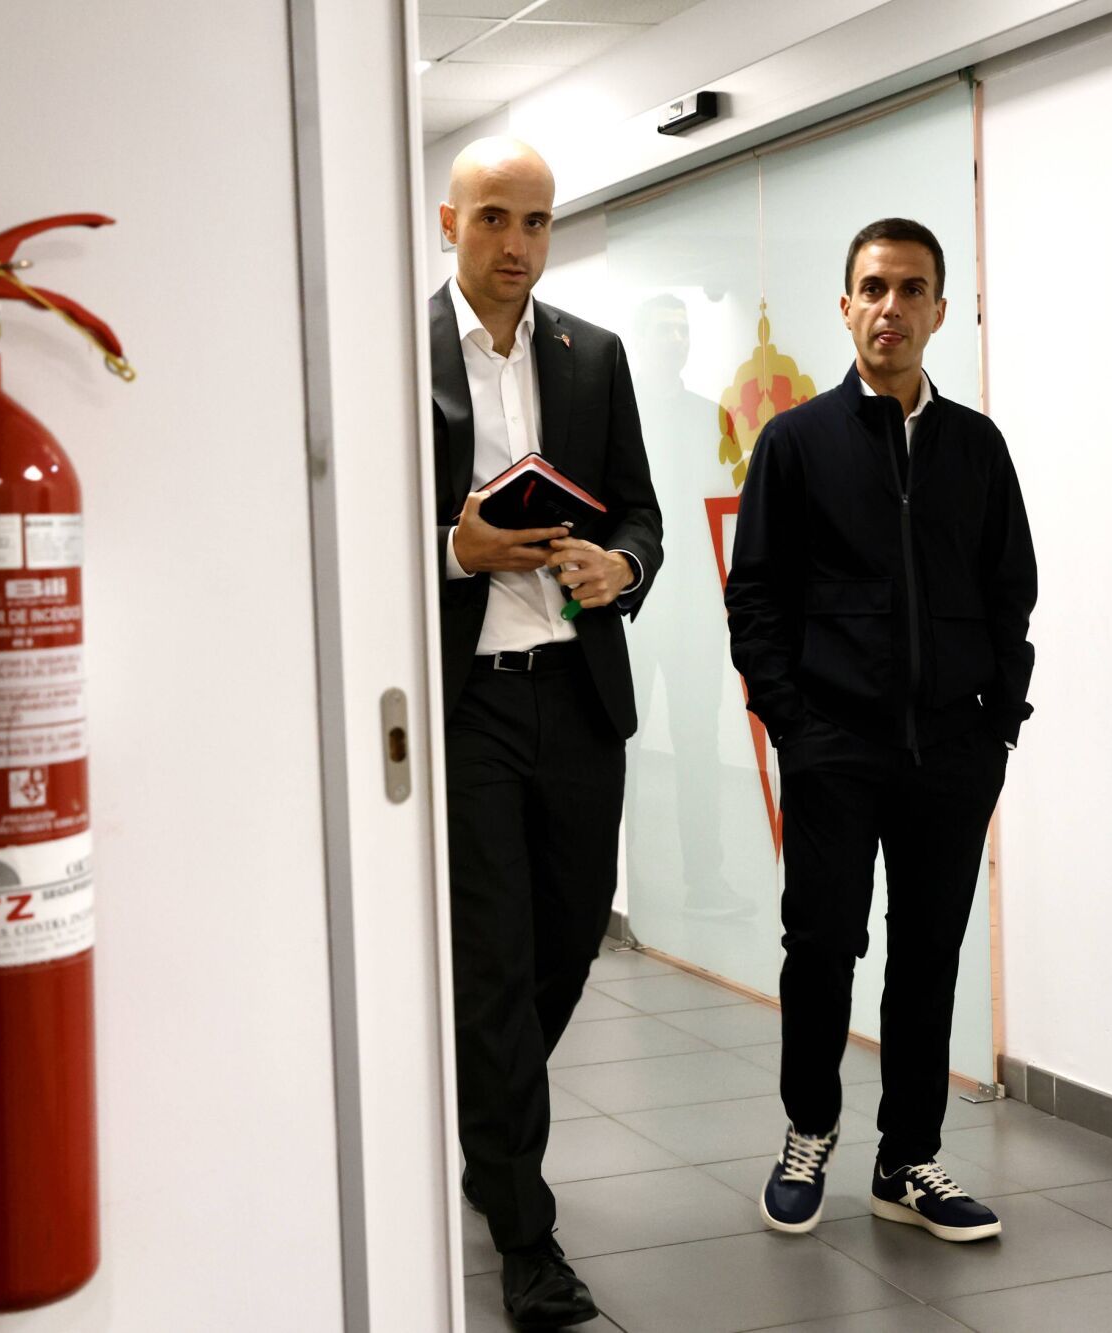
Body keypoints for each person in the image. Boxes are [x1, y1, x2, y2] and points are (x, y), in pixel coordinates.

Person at [725, 217, 1036, 1242]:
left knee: (927, 956)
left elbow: (1008, 592)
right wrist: (794, 724)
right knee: (820, 946)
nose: (890, 307)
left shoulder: (974, 447)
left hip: (951, 748)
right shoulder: (796, 443)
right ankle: (807, 1130)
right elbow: (755, 600)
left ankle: (907, 1159)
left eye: (910, 290)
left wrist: (998, 720)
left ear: (938, 311)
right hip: (834, 745)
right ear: (845, 304)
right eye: (872, 287)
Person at [430, 137, 662, 1326]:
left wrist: (616, 562)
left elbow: (641, 512)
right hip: (467, 701)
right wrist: (450, 551)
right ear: (447, 221)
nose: (516, 245)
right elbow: (359, 537)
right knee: (496, 962)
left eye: (535, 223)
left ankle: (488, 1127)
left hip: (575, 694)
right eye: (493, 220)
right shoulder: (398, 356)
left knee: (567, 942)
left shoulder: (592, 354)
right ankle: (527, 1236)